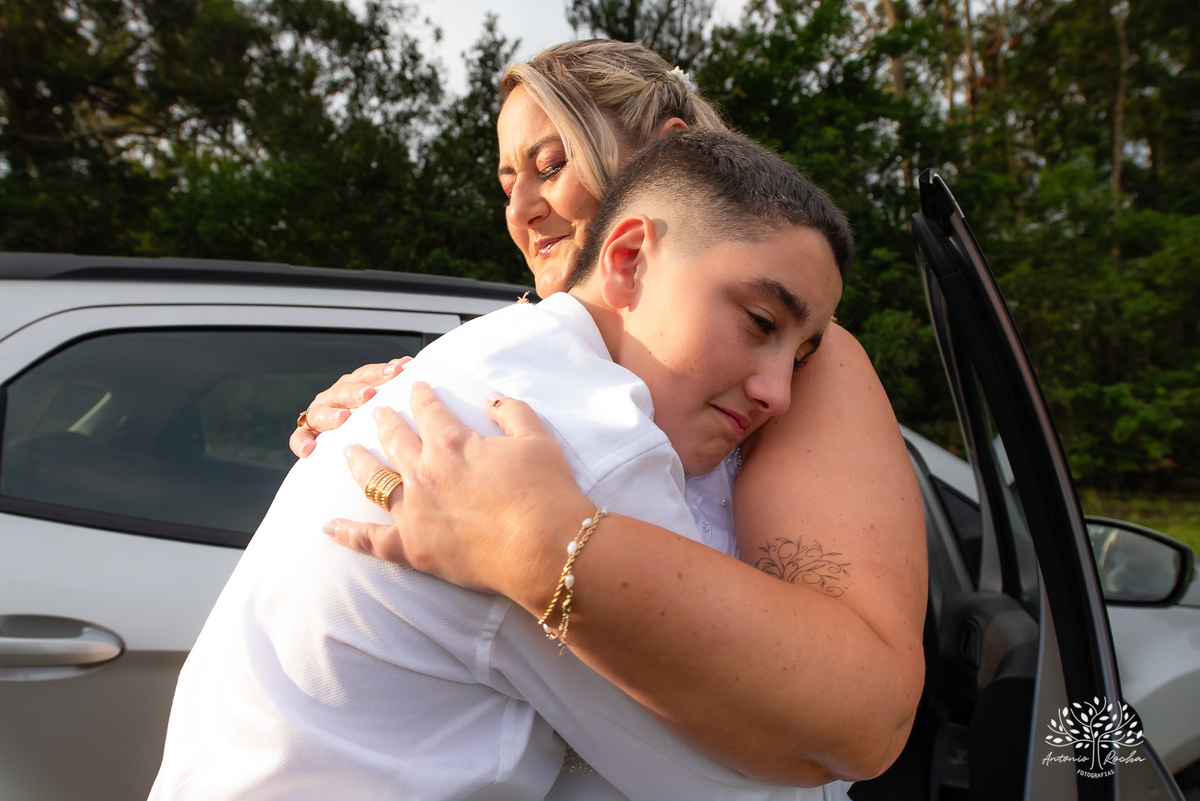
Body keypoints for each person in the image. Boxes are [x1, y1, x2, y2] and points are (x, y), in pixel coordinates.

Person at [149, 129, 853, 800]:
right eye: (761, 322)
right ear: (629, 258)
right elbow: (736, 785)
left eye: (800, 355)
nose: (779, 393)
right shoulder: (579, 443)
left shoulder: (497, 356)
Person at [298, 40, 927, 785]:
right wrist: (352, 434)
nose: (522, 208)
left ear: (669, 154)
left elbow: (859, 711)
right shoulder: (514, 392)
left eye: (551, 164)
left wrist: (539, 543)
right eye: (507, 182)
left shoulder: (802, 360)